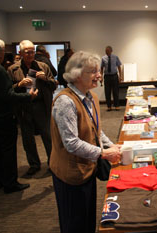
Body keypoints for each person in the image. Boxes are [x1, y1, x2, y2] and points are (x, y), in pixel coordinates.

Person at [49, 51, 121, 233]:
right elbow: (71, 142)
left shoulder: (91, 97)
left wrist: (111, 145)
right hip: (69, 175)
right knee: (74, 223)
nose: (99, 75)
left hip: (87, 169)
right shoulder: (65, 101)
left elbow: (96, 129)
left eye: (99, 71)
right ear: (77, 74)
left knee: (87, 219)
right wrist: (103, 153)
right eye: (93, 71)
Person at [0, 37, 38, 193]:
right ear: (0, 52)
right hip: (3, 117)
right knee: (8, 151)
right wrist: (28, 96)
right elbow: (7, 95)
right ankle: (10, 183)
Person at [8, 40, 57, 176]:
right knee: (27, 138)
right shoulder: (13, 69)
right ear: (21, 53)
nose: (31, 54)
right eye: (27, 52)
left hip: (42, 106)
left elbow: (54, 84)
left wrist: (46, 78)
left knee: (47, 136)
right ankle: (34, 164)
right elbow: (8, 91)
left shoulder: (42, 66)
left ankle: (52, 162)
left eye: (32, 51)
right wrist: (19, 84)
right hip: (24, 107)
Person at [100, 46, 123, 111]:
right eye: (105, 51)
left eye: (107, 51)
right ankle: (109, 106)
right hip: (107, 76)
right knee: (107, 92)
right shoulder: (103, 58)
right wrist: (101, 76)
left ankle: (117, 105)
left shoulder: (115, 57)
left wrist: (120, 76)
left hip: (114, 76)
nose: (106, 52)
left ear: (111, 51)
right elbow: (101, 68)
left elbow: (119, 66)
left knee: (115, 91)